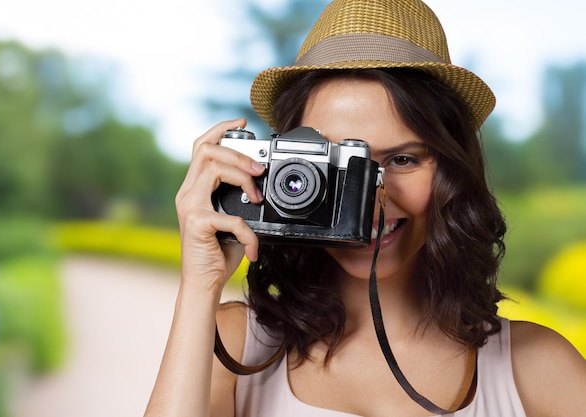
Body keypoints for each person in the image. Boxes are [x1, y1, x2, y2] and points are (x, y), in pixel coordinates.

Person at [144, 0, 586, 416]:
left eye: (402, 159)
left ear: (454, 170)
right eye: (344, 167)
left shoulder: (536, 367)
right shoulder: (236, 343)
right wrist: (199, 285)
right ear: (287, 171)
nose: (372, 198)